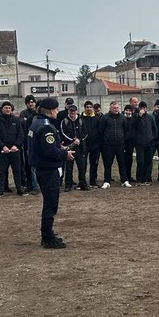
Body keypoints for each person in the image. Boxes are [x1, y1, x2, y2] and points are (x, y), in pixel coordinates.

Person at [28, 98, 76, 249]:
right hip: (48, 170)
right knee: (50, 204)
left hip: (42, 168)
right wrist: (64, 154)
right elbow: (49, 151)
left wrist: (58, 146)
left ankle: (47, 234)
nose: (57, 112)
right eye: (55, 109)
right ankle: (47, 237)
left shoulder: (36, 122)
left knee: (49, 203)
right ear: (50, 111)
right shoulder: (46, 127)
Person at [0, 101, 27, 196]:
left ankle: (19, 189)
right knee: (2, 171)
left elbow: (21, 134)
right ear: (2, 109)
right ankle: (1, 190)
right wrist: (3, 146)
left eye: (9, 108)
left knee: (17, 170)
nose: (7, 110)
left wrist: (16, 145)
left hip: (15, 151)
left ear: (11, 110)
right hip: (2, 151)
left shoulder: (16, 120)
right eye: (6, 108)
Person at [98, 101, 132, 188]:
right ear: (110, 108)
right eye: (114, 108)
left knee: (122, 163)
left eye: (117, 108)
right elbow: (100, 131)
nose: (116, 109)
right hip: (108, 145)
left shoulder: (122, 118)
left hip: (120, 145)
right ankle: (107, 181)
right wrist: (105, 141)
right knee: (108, 164)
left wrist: (123, 139)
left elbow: (126, 130)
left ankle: (124, 180)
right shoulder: (105, 118)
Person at [59, 104, 88, 191]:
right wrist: (73, 140)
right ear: (68, 111)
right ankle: (68, 185)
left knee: (82, 166)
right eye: (71, 111)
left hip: (80, 147)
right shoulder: (64, 121)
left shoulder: (81, 121)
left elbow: (85, 132)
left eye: (74, 111)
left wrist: (79, 140)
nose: (72, 112)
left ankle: (83, 184)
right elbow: (63, 133)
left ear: (76, 111)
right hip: (69, 148)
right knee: (69, 167)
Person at [133, 101, 157, 185]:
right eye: (141, 107)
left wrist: (153, 138)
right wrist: (139, 115)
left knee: (148, 161)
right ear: (139, 109)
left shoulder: (150, 117)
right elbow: (133, 125)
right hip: (139, 143)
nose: (143, 109)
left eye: (144, 107)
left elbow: (154, 128)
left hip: (149, 143)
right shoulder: (136, 116)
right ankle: (139, 179)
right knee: (140, 162)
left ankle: (145, 179)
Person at [80, 102, 103, 187]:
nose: (89, 108)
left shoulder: (97, 119)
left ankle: (93, 180)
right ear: (84, 108)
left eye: (90, 107)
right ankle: (82, 181)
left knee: (94, 163)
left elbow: (100, 131)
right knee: (83, 163)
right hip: (84, 144)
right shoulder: (80, 118)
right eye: (87, 107)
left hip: (95, 145)